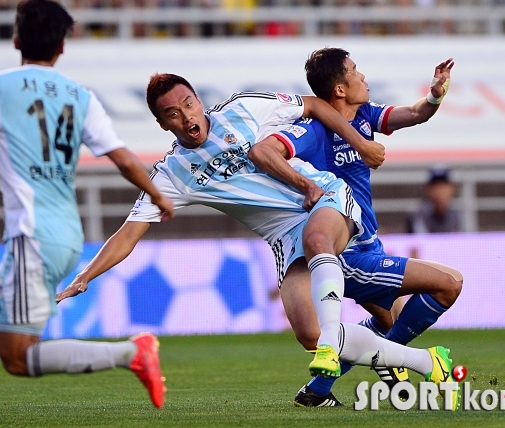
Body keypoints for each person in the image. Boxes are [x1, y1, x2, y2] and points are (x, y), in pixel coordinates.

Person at [56, 73, 460, 410]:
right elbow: (127, 234)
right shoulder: (172, 173)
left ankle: (348, 345)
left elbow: (316, 106)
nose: (185, 117)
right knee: (308, 332)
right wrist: (86, 275)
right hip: (285, 239)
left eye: (188, 105)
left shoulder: (244, 107)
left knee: (320, 241)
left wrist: (361, 142)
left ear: (199, 101)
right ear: (163, 125)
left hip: (322, 199)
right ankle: (422, 360)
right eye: (172, 114)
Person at [249, 48, 463, 407]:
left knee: (385, 319)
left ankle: (317, 391)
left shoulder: (364, 114)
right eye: (354, 70)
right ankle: (393, 362)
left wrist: (435, 94)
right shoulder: (313, 129)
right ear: (339, 90)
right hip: (344, 250)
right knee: (449, 284)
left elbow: (413, 114)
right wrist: (305, 186)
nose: (363, 75)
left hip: (371, 244)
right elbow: (269, 150)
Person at [0, 0, 175, 409]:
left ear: (16, 38)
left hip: (33, 236)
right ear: (62, 46)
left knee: (17, 357)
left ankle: (131, 353)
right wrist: (158, 194)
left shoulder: (4, 88)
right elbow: (124, 158)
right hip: (63, 235)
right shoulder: (80, 97)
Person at [407, 164, 463, 234]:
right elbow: (421, 241)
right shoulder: (418, 215)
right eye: (435, 186)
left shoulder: (458, 215)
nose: (439, 191)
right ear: (427, 189)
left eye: (443, 186)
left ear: (452, 189)